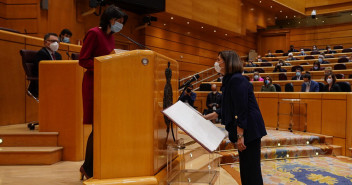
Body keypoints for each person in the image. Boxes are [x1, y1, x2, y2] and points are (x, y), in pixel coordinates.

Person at [79, 5, 128, 180]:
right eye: (119, 22)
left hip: (107, 86)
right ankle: (87, 167)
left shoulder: (111, 37)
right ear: (110, 19)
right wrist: (103, 67)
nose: (120, 25)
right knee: (97, 127)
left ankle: (92, 165)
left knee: (104, 127)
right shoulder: (94, 33)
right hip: (94, 84)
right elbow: (83, 60)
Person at [205, 50, 267, 185]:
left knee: (251, 170)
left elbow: (242, 109)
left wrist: (240, 135)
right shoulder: (229, 80)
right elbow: (227, 109)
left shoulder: (236, 79)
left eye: (219, 60)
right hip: (246, 129)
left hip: (249, 130)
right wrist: (205, 117)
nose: (216, 63)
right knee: (246, 168)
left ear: (228, 62)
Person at [30, 33, 62, 98]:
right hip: (43, 83)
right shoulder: (41, 54)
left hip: (53, 81)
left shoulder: (58, 55)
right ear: (45, 42)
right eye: (53, 41)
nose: (55, 43)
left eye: (57, 41)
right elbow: (41, 71)